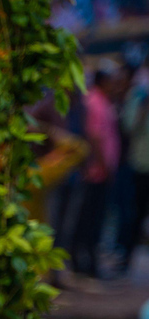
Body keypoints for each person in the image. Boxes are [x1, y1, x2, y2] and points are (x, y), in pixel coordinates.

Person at [70, 69, 121, 278]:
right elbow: (95, 137)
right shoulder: (95, 102)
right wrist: (104, 166)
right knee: (89, 219)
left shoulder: (101, 101)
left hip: (100, 171)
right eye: (111, 81)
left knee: (94, 219)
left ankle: (87, 262)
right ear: (103, 81)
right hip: (96, 173)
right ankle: (83, 263)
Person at [120, 63, 149, 271]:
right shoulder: (138, 96)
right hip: (140, 164)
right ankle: (125, 257)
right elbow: (128, 127)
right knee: (133, 214)